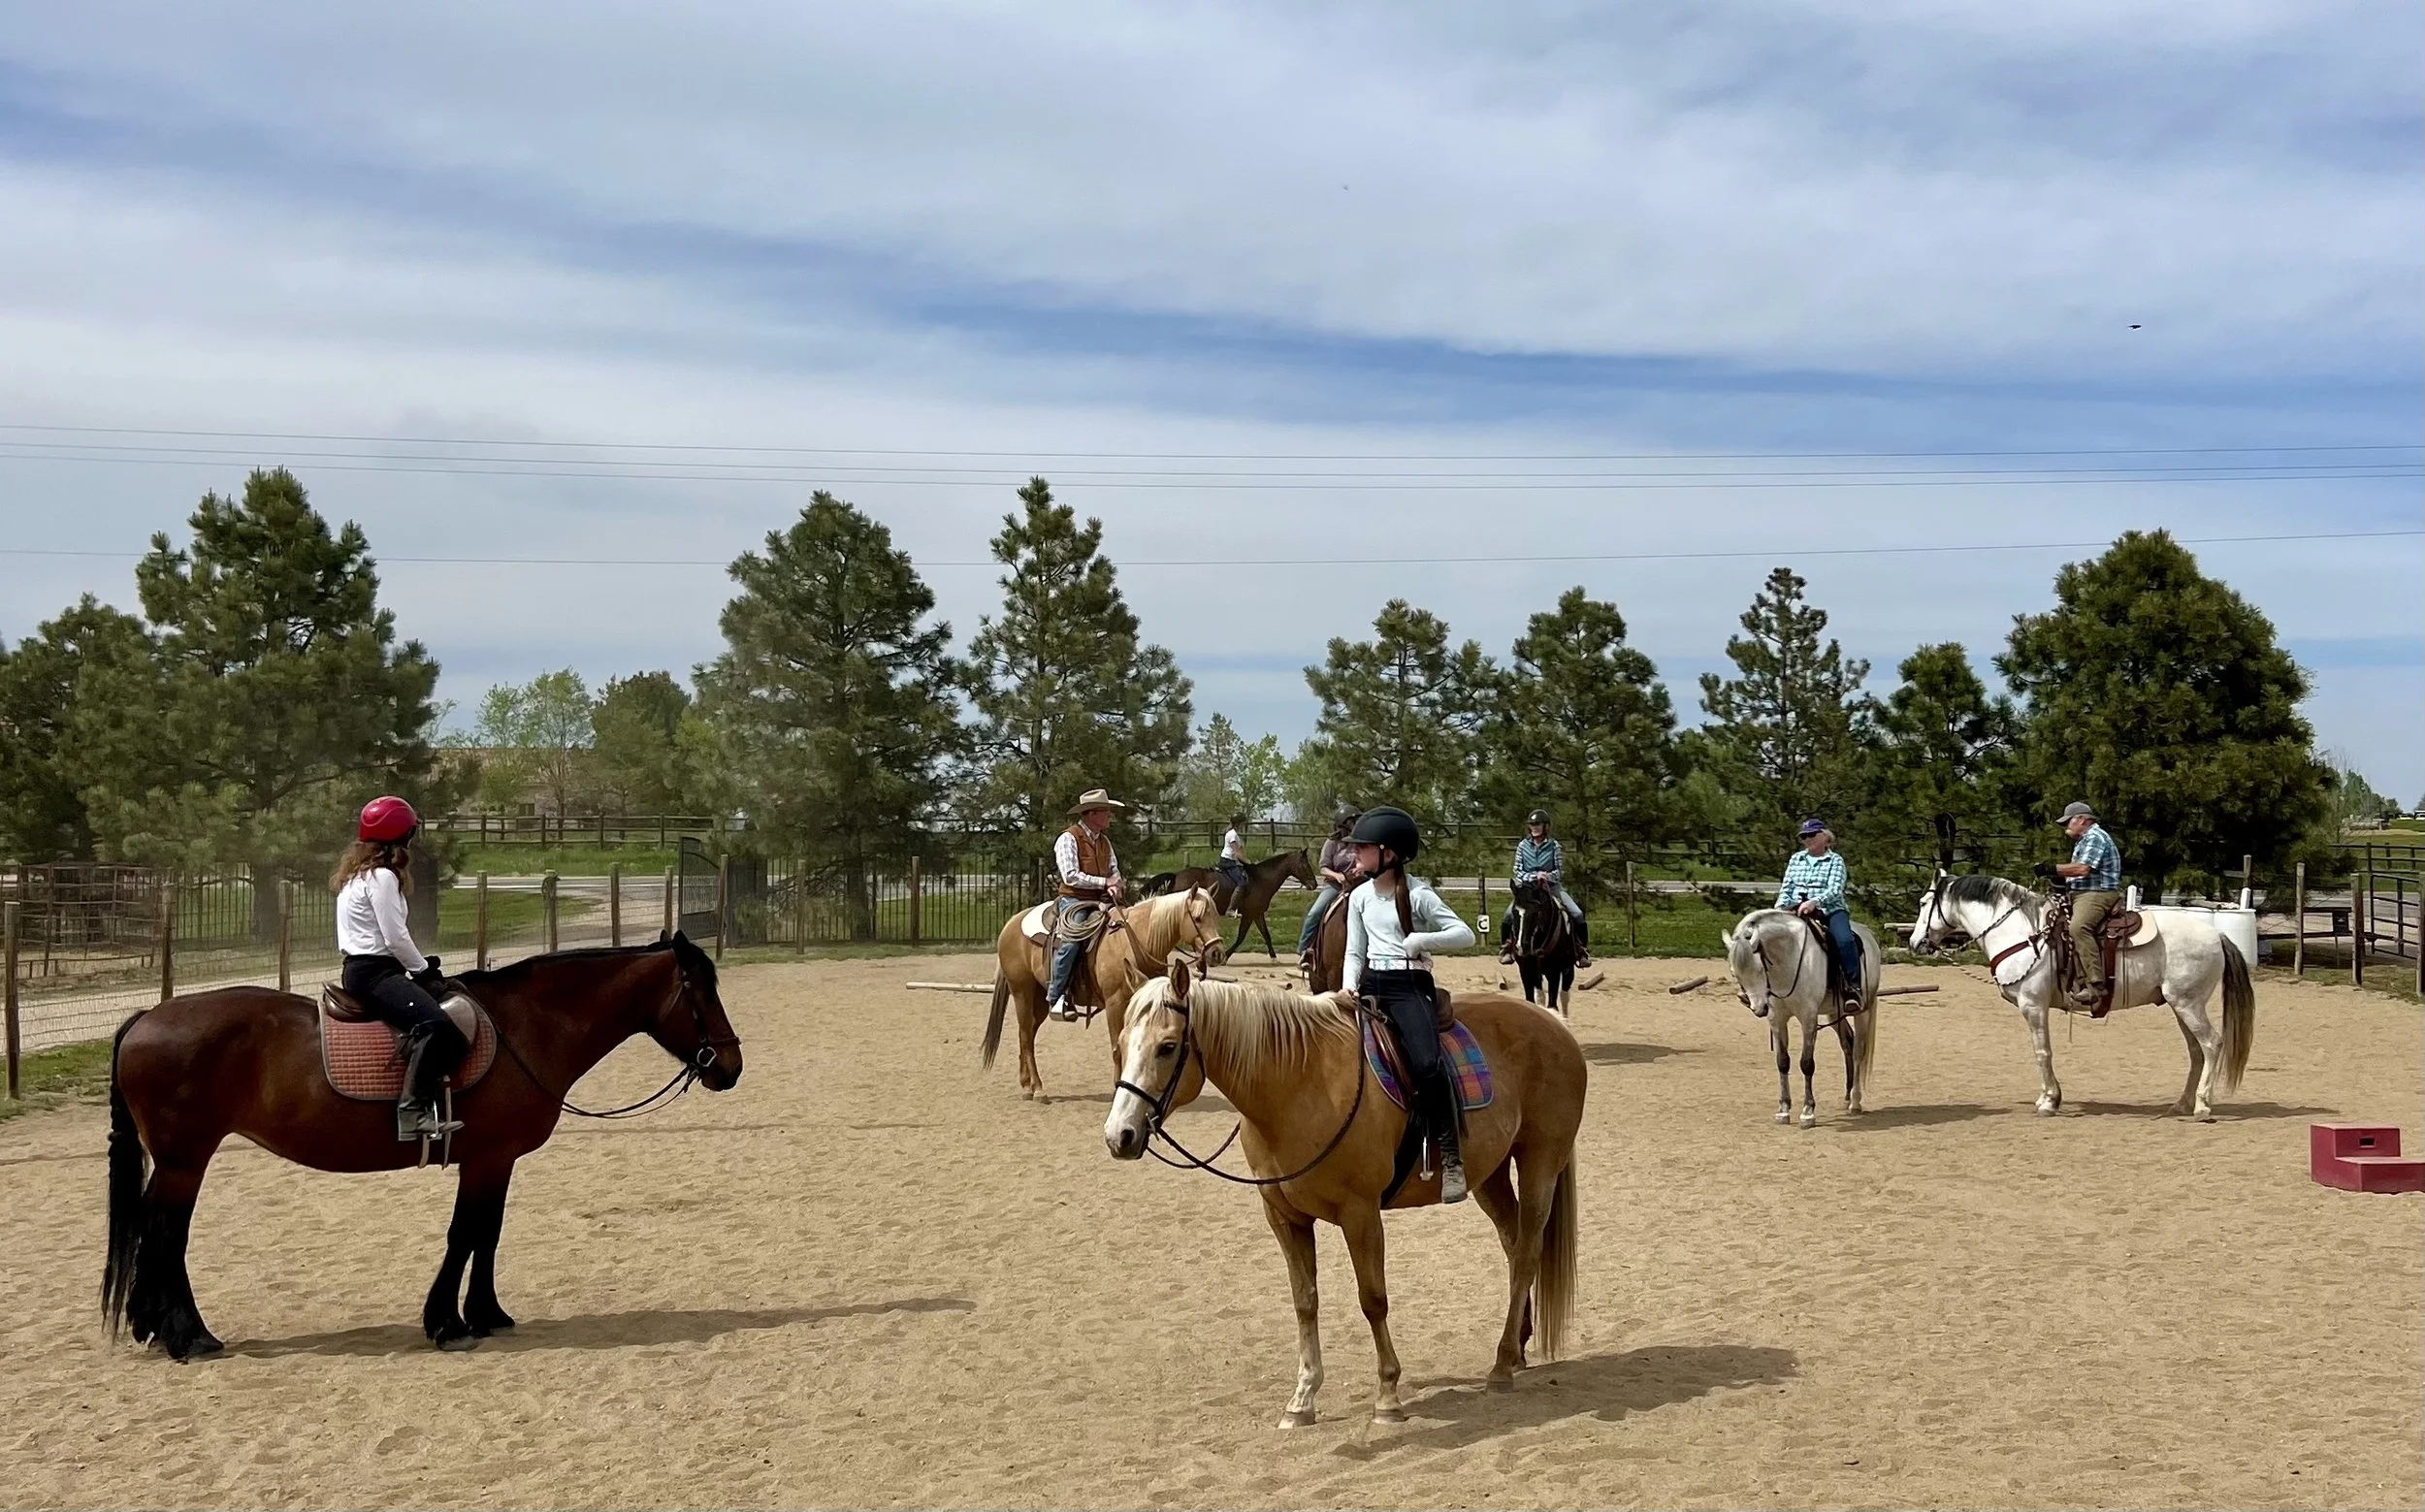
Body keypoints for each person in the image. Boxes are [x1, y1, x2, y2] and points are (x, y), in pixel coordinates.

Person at [1341, 805, 1477, 1204]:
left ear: (1389, 852)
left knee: (1428, 1065)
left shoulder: (1419, 895)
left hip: (1409, 986)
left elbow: (1464, 933)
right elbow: (1354, 951)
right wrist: (1348, 987)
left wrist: (1422, 941)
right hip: (1369, 985)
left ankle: (1452, 1158)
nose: (1355, 855)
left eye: (1362, 848)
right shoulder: (1360, 898)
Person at [332, 796, 467, 1141]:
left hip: (361, 968)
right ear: (402, 838)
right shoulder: (381, 878)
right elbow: (395, 937)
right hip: (375, 973)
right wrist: (424, 971)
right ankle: (411, 1113)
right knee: (436, 1024)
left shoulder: (356, 876)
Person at [1046, 788, 1127, 1022]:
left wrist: (1114, 885)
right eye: (1106, 812)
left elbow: (1114, 870)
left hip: (1102, 899)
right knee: (1072, 942)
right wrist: (1105, 882)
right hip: (1075, 900)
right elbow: (1070, 875)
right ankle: (1057, 996)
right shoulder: (1068, 839)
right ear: (1092, 814)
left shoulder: (1104, 842)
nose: (1109, 816)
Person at [1776, 820, 1860, 999]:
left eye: (1812, 834)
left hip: (1830, 909)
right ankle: (1767, 986)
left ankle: (1853, 985)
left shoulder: (1835, 860)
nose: (1808, 839)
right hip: (1795, 908)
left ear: (1825, 836)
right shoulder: (1796, 859)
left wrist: (1814, 901)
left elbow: (1835, 889)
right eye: (1804, 836)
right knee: (1768, 938)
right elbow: (1787, 887)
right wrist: (1779, 908)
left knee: (1844, 940)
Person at [1497, 809, 1592, 968]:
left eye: (1538, 824)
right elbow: (1518, 871)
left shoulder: (1555, 846)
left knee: (1576, 913)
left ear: (1545, 826)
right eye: (1532, 824)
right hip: (1527, 890)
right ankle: (1507, 948)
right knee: (1508, 916)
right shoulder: (1522, 846)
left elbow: (1560, 871)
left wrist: (1547, 877)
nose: (1534, 827)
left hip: (1551, 888)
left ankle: (1581, 950)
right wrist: (1535, 876)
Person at [2052, 800, 2124, 1009]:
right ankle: (2076, 978)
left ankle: (2095, 983)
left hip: (2098, 892)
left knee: (2078, 927)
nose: (2066, 826)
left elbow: (2083, 869)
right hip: (2082, 892)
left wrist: (2054, 869)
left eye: (2068, 821)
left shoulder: (2095, 837)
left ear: (2082, 819)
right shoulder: (2084, 840)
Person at [1297, 805, 1364, 969]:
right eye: (1353, 821)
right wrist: (1337, 876)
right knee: (1315, 912)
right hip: (1335, 886)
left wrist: (1361, 868)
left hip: (1360, 883)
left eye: (1356, 821)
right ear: (1343, 824)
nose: (1356, 824)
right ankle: (1305, 950)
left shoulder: (1361, 842)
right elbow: (1323, 867)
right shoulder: (1332, 843)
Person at [1216, 812, 1249, 906]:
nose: (1244, 825)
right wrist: (1248, 862)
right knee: (1242, 883)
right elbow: (1236, 853)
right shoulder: (1232, 835)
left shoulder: (1235, 834)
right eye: (1243, 823)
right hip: (1228, 862)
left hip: (1231, 861)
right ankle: (1231, 908)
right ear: (1238, 824)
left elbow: (1240, 852)